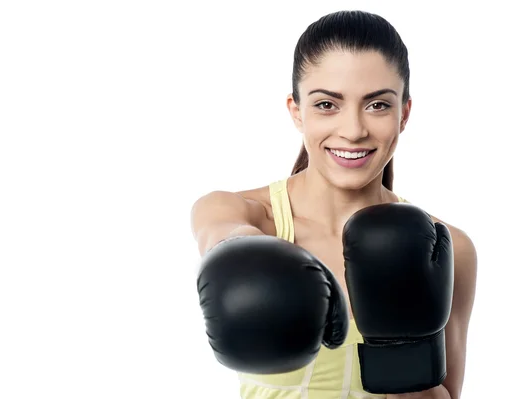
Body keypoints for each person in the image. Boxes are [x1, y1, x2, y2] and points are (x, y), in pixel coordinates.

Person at [191, 10, 477, 399]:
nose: (353, 130)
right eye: (327, 104)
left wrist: (401, 353)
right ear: (297, 111)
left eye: (377, 105)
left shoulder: (447, 247)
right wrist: (250, 256)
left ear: (404, 114)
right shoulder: (248, 214)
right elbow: (220, 232)